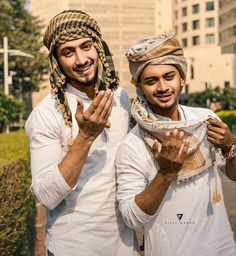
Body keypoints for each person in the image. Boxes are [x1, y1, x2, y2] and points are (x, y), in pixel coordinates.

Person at [25, 10, 139, 256]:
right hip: (73, 247)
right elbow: (46, 195)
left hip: (124, 246)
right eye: (68, 52)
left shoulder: (119, 98)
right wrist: (86, 137)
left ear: (98, 46)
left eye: (86, 46)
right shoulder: (47, 114)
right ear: (56, 60)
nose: (81, 59)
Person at [116, 31, 236, 256]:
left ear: (182, 78)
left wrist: (231, 146)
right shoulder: (133, 145)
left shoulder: (205, 121)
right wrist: (165, 173)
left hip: (222, 248)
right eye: (151, 81)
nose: (162, 87)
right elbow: (132, 217)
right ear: (140, 87)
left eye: (168, 76)